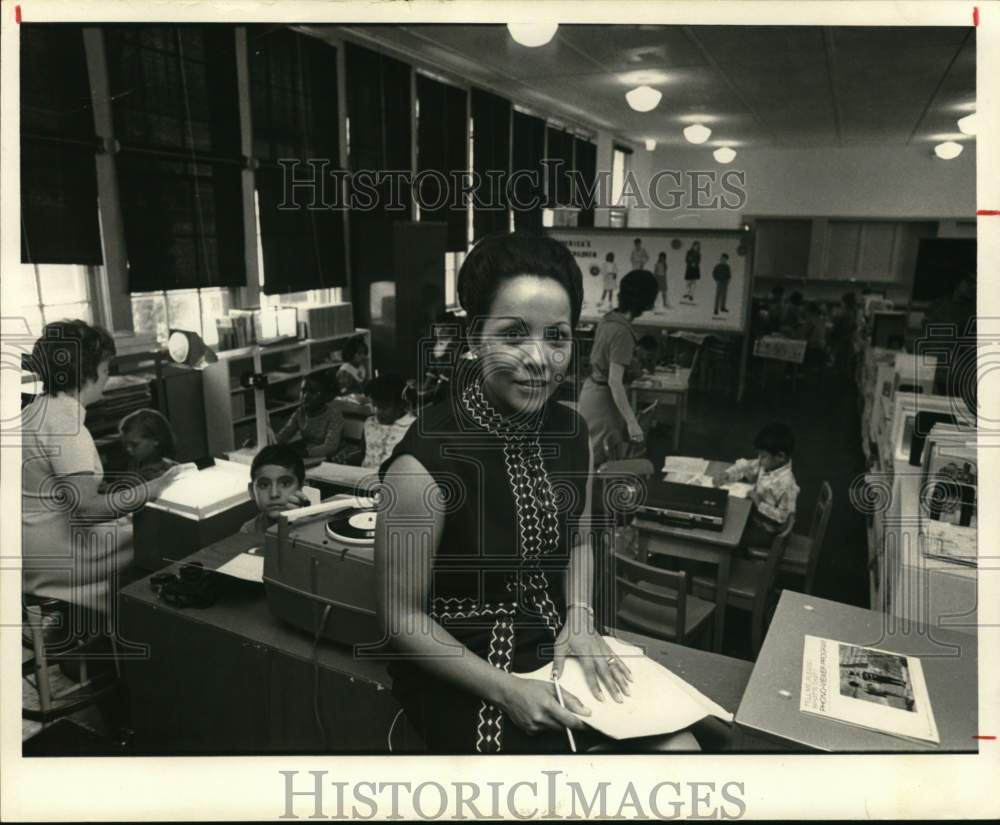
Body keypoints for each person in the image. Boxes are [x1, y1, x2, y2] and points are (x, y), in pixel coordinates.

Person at [375, 233, 699, 754]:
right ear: (476, 338)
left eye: (558, 336)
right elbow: (402, 621)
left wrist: (579, 615)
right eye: (513, 335)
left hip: (556, 642)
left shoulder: (573, 435)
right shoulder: (421, 467)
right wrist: (510, 692)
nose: (540, 359)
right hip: (459, 667)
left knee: (683, 748)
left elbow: (579, 541)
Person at [22, 320, 184, 617]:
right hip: (58, 559)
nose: (108, 376)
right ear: (86, 373)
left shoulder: (35, 410)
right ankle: (148, 627)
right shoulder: (65, 424)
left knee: (129, 527)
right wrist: (156, 487)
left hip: (31, 551)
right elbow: (89, 510)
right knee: (166, 539)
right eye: (106, 368)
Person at [577, 269, 659, 467]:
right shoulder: (622, 331)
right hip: (604, 401)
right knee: (599, 462)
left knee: (588, 456)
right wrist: (632, 421)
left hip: (592, 391)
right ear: (646, 299)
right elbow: (615, 382)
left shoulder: (609, 318)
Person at [715, 422, 800, 551]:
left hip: (768, 532)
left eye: (763, 456)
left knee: (729, 536)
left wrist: (758, 502)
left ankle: (733, 563)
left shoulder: (787, 484)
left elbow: (784, 518)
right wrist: (727, 474)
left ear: (780, 457)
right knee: (726, 518)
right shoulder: (768, 464)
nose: (759, 459)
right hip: (755, 517)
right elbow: (746, 467)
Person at [240, 444, 311, 535]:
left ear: (303, 488)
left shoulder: (314, 525)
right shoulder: (249, 531)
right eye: (264, 485)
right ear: (251, 491)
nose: (274, 494)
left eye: (285, 484)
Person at [276, 373, 345, 460]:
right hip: (309, 455)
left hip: (332, 458)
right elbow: (285, 433)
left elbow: (330, 447)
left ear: (327, 396)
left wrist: (303, 453)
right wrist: (274, 443)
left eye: (313, 392)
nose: (305, 396)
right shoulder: (300, 412)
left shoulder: (334, 416)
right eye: (303, 390)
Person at [361, 373, 416, 470]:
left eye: (383, 407)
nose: (377, 412)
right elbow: (364, 453)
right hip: (365, 479)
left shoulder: (412, 427)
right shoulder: (370, 423)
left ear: (401, 404)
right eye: (374, 405)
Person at [116, 409, 178, 483]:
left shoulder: (170, 471)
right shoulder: (136, 462)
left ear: (155, 439)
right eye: (126, 444)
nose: (128, 449)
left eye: (134, 445)